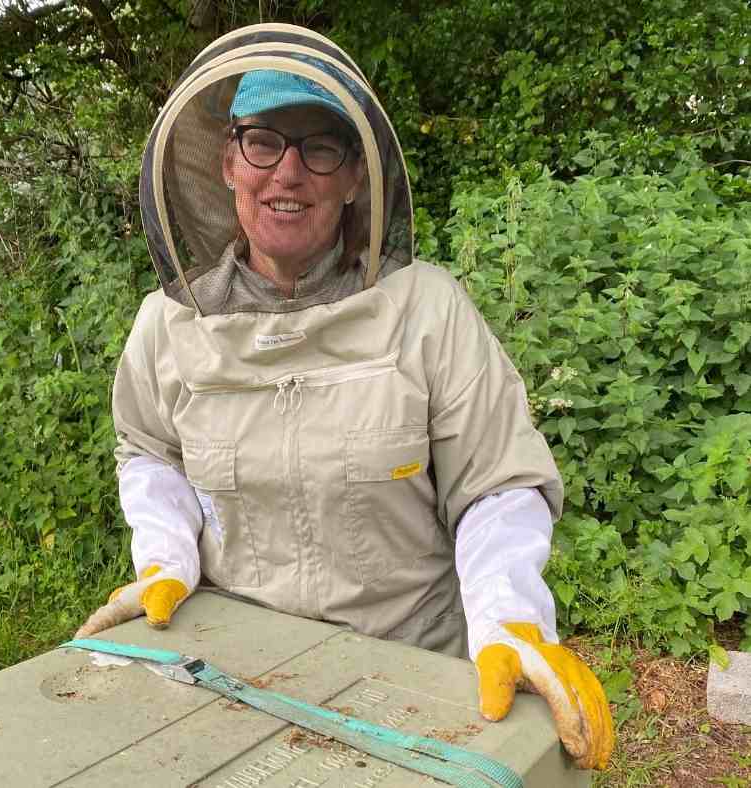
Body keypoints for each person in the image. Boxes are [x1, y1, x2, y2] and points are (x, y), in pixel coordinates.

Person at [77, 24, 614, 771]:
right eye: (265, 142)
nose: (287, 174)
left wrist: (510, 619)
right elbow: (150, 455)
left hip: (418, 683)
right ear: (228, 162)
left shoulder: (428, 311)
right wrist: (164, 556)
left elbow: (497, 484)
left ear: (356, 175)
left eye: (319, 147)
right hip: (237, 675)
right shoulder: (167, 328)